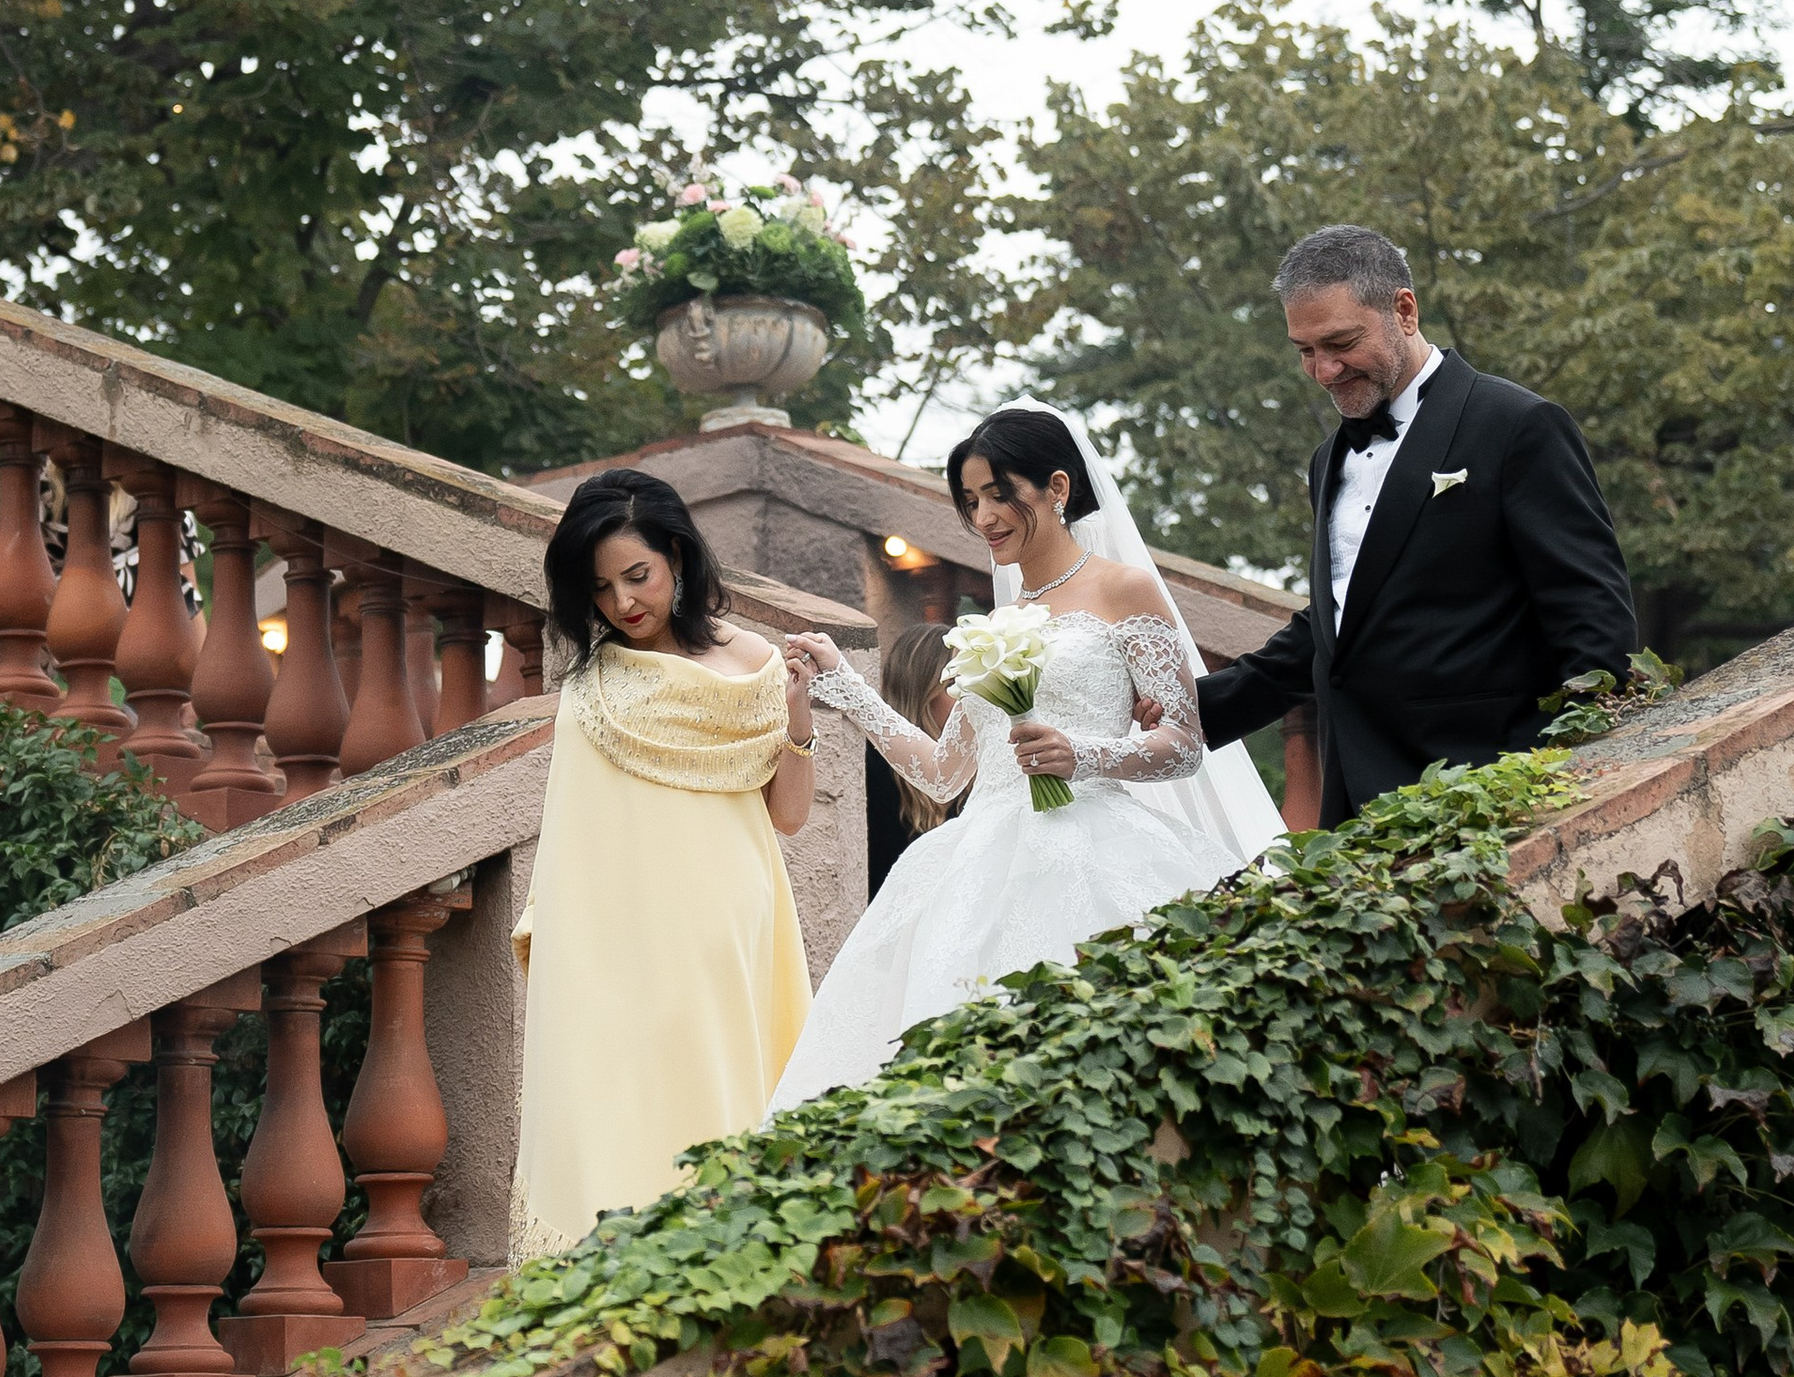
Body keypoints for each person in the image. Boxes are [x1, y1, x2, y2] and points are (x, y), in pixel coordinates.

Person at [770, 408, 1281, 1107]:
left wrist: (1085, 754)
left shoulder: (1123, 590)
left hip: (1100, 848)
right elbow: (943, 772)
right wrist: (845, 686)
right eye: (971, 501)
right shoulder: (992, 623)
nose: (983, 517)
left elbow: (1183, 744)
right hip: (977, 859)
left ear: (1057, 487)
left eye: (998, 494)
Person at [1194, 223, 1639, 824]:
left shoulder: (1518, 426)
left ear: (1404, 310)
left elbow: (1594, 623)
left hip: (1491, 792)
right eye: (1305, 351)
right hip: (1356, 802)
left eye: (1341, 343)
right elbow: (1339, 629)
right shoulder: (1328, 460)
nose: (1324, 371)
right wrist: (1187, 710)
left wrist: (1564, 781)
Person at [509, 468, 816, 1257]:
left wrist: (799, 717)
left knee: (720, 1101)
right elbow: (579, 830)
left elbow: (787, 815)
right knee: (622, 1113)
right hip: (625, 937)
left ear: (677, 556)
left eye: (636, 575)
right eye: (602, 587)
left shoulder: (756, 663)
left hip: (726, 926)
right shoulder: (597, 689)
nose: (623, 603)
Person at [865, 618, 958, 896]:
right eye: (953, 685)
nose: (968, 699)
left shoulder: (976, 764)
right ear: (922, 691)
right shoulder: (875, 767)